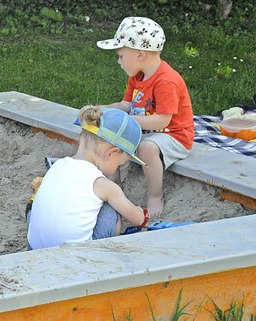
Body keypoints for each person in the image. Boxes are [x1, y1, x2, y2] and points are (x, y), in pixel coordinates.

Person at [94, 17, 194, 217]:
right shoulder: (137, 77)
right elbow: (126, 105)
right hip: (146, 131)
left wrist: (128, 121)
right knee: (108, 137)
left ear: (139, 54)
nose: (119, 61)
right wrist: (102, 110)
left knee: (146, 147)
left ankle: (155, 196)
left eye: (121, 56)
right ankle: (114, 188)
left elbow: (162, 121)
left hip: (173, 136)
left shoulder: (167, 81)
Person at [27, 107, 149, 250]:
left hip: (35, 250)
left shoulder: (56, 166)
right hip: (77, 259)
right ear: (111, 153)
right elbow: (139, 220)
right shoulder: (101, 184)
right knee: (111, 205)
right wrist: (141, 212)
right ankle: (107, 251)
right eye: (119, 164)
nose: (117, 168)